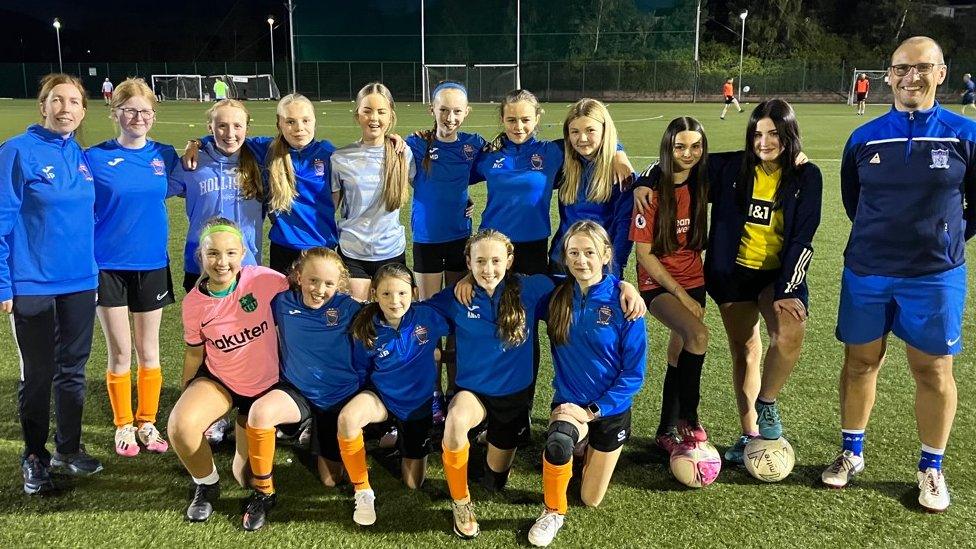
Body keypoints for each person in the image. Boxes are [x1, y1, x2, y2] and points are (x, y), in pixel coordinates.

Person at [824, 36, 976, 513]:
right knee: (860, 361)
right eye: (901, 69)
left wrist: (946, 239)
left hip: (934, 275)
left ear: (942, 73)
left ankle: (931, 466)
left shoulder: (963, 133)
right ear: (888, 74)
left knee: (932, 370)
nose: (912, 77)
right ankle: (851, 452)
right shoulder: (864, 136)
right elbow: (854, 200)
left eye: (922, 68)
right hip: (868, 271)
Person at [427, 229, 644, 539]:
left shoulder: (536, 290)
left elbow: (587, 284)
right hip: (490, 395)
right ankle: (462, 502)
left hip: (556, 404)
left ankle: (582, 452)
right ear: (469, 262)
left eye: (496, 260)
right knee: (458, 421)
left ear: (509, 260)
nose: (489, 269)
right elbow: (420, 315)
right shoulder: (459, 295)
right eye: (481, 261)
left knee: (582, 498)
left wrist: (625, 286)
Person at [636, 100, 821, 464]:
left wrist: (788, 289)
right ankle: (749, 432)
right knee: (745, 349)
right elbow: (677, 163)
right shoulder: (731, 166)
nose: (764, 142)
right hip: (733, 275)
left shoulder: (806, 175)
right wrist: (644, 179)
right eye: (758, 134)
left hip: (778, 277)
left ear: (788, 134)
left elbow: (804, 237)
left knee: (787, 334)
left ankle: (766, 404)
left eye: (773, 134)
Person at [0, 73, 103, 494]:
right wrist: (4, 283)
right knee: (39, 374)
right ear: (43, 105)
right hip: (32, 284)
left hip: (80, 281)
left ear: (82, 110)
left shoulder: (78, 152)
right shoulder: (16, 151)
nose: (66, 108)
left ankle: (68, 449)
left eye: (74, 102)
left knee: (72, 372)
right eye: (57, 100)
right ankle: (34, 457)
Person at [527, 221, 646, 548]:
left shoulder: (625, 304)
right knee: (559, 442)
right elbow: (502, 283)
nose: (582, 260)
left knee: (590, 498)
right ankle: (553, 510)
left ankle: (590, 448)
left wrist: (593, 412)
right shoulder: (553, 294)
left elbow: (633, 375)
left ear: (606, 254)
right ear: (565, 257)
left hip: (609, 410)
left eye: (590, 252)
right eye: (574, 253)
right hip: (569, 404)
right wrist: (467, 278)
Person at [168, 218, 289, 523]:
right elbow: (195, 352)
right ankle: (206, 485)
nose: (222, 262)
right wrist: (187, 390)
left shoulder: (261, 278)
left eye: (231, 253)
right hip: (221, 380)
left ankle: (243, 427)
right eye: (213, 254)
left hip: (264, 387)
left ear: (244, 253)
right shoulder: (194, 303)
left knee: (245, 477)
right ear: (201, 256)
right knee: (181, 426)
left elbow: (304, 284)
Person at [240, 247, 364, 531]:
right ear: (298, 277)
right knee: (259, 413)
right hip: (297, 392)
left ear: (339, 284)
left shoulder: (349, 307)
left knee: (330, 480)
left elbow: (391, 308)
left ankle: (323, 437)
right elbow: (244, 295)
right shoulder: (281, 302)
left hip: (337, 398)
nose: (320, 290)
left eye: (329, 284)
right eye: (313, 280)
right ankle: (263, 492)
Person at [88, 77, 177, 457]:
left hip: (152, 263)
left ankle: (147, 421)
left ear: (153, 115)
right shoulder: (93, 157)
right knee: (121, 351)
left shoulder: (165, 154)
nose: (138, 117)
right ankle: (123, 425)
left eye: (145, 111)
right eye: (130, 110)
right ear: (116, 112)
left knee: (149, 349)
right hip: (107, 266)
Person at [336, 263, 450, 526]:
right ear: (374, 294)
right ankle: (362, 490)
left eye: (401, 293)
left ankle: (399, 439)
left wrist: (442, 355)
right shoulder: (366, 327)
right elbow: (362, 369)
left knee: (413, 484)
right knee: (348, 418)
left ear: (414, 292)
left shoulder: (428, 316)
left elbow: (463, 327)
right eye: (386, 294)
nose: (395, 301)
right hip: (383, 399)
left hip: (418, 407)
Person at [185, 94, 339, 275]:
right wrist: (196, 143)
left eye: (306, 120)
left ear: (314, 122)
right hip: (283, 247)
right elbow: (231, 137)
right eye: (290, 122)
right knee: (284, 302)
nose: (299, 128)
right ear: (279, 125)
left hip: (322, 247)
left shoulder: (329, 154)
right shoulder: (266, 149)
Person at [630, 117, 711, 454]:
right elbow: (644, 255)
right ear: (668, 147)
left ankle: (665, 429)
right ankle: (689, 419)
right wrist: (680, 294)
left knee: (681, 348)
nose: (688, 153)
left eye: (695, 146)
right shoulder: (650, 193)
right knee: (698, 336)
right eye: (680, 146)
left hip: (695, 277)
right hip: (658, 283)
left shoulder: (705, 180)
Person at [407, 80, 484, 416]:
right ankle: (432, 391)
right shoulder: (415, 144)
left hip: (459, 240)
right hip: (426, 239)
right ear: (432, 110)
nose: (450, 117)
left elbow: (502, 163)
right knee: (427, 314)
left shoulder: (474, 145)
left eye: (456, 111)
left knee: (457, 312)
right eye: (443, 110)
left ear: (466, 113)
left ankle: (457, 387)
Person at [168, 99, 265, 293]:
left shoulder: (260, 161)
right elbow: (153, 192)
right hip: (201, 265)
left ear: (247, 128)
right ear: (210, 128)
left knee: (245, 323)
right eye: (222, 126)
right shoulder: (192, 163)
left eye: (237, 126)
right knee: (203, 323)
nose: (230, 134)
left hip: (246, 266)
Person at [331, 82, 414, 301]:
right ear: (357, 115)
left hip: (391, 251)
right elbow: (329, 207)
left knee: (392, 318)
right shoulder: (340, 157)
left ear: (391, 115)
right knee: (357, 319)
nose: (374, 118)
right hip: (352, 253)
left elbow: (429, 189)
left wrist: (465, 198)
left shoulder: (403, 154)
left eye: (381, 111)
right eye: (367, 111)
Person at [551, 98, 634, 279]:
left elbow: (625, 225)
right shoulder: (563, 161)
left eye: (590, 130)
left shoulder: (619, 172)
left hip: (598, 266)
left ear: (605, 130)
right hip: (561, 261)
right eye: (575, 132)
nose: (582, 138)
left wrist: (614, 269)